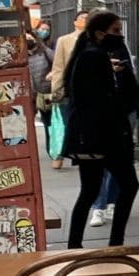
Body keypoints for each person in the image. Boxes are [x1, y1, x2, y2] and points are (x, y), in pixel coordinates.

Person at [62, 12, 139, 249]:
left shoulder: (92, 55)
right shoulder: (94, 56)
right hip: (102, 139)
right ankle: (115, 242)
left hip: (90, 139)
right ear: (100, 33)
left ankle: (75, 245)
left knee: (89, 191)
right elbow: (96, 100)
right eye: (116, 30)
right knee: (129, 184)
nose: (120, 36)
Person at [48, 10, 88, 171]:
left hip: (89, 90)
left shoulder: (96, 40)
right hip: (70, 89)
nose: (86, 20)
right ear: (75, 21)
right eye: (83, 18)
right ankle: (59, 156)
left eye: (88, 18)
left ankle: (82, 155)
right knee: (66, 123)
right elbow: (58, 67)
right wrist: (56, 89)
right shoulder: (64, 41)